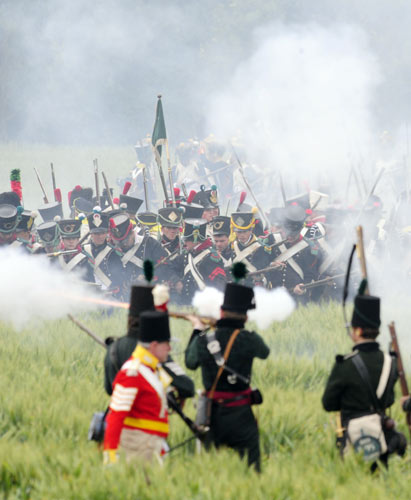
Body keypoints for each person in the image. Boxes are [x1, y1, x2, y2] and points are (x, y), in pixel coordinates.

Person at [185, 281, 270, 471]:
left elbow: (190, 362)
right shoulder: (249, 338)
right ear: (246, 317)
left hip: (212, 415)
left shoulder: (204, 340)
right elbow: (265, 352)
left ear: (221, 312)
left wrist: (198, 329)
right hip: (242, 414)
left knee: (209, 471)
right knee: (253, 468)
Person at [322, 288, 406, 470]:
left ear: (358, 330)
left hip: (352, 437)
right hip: (381, 436)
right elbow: (389, 400)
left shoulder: (345, 364)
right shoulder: (390, 362)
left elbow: (328, 403)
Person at [103, 310, 172, 464]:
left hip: (151, 445)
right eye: (166, 344)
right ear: (154, 345)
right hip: (137, 447)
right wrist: (110, 455)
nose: (170, 348)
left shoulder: (151, 370)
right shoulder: (132, 373)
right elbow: (116, 416)